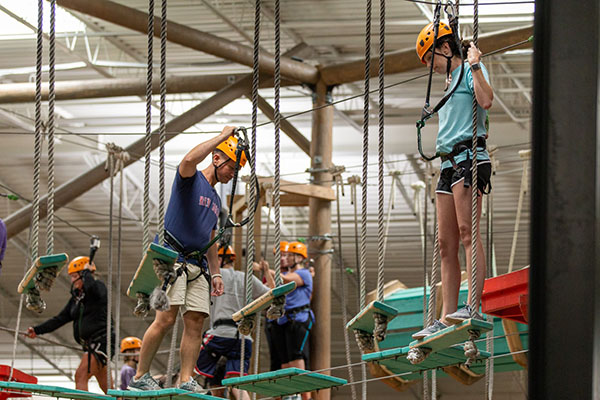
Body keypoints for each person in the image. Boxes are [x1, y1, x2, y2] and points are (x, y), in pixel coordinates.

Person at [128, 126, 246, 392]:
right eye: (231, 167)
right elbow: (189, 160)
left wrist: (215, 272)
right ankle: (140, 376)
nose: (233, 173)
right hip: (174, 260)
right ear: (217, 159)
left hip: (197, 266)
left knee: (195, 322)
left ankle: (185, 379)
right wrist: (222, 137)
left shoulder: (216, 200)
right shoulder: (190, 180)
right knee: (166, 319)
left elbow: (209, 240)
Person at [412, 22, 494, 339]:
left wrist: (474, 66)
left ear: (445, 49)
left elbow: (486, 101)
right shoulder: (448, 82)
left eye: (432, 60)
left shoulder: (472, 70)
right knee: (445, 244)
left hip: (469, 157)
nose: (431, 68)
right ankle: (447, 315)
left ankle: (473, 305)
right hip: (448, 163)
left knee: (466, 232)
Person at [195, 245, 274, 399]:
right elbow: (273, 295)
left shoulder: (212, 276)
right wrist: (266, 272)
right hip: (242, 339)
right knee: (236, 384)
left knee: (191, 367)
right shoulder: (247, 278)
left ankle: (180, 386)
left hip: (219, 334)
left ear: (218, 259)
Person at [26, 256, 115, 393]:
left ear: (84, 275)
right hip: (90, 345)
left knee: (80, 375)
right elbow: (60, 319)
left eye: (75, 276)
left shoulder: (98, 288)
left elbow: (92, 289)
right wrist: (37, 330)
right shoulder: (76, 299)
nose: (72, 281)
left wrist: (86, 273)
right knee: (109, 389)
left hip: (100, 342)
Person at [268, 241, 314, 400]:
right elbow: (275, 286)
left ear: (299, 258)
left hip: (299, 319)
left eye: (290, 256)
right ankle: (289, 392)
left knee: (296, 356)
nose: (285, 259)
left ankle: (302, 394)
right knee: (285, 359)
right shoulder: (288, 274)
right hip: (285, 320)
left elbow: (287, 281)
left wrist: (267, 269)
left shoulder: (304, 273)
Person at [262, 241, 292, 372]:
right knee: (276, 357)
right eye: (280, 255)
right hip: (273, 320)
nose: (283, 259)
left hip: (289, 319)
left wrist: (267, 270)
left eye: (286, 255)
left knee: (291, 355)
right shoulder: (269, 276)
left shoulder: (295, 275)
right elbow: (270, 291)